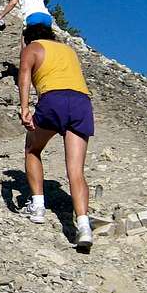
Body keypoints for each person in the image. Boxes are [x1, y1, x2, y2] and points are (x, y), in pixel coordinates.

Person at [17, 22, 95, 248]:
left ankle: (38, 206)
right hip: (81, 103)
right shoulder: (68, 50)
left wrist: (24, 108)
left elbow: (24, 75)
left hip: (53, 100)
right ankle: (83, 226)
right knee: (76, 171)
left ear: (29, 38)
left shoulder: (32, 48)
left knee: (32, 148)